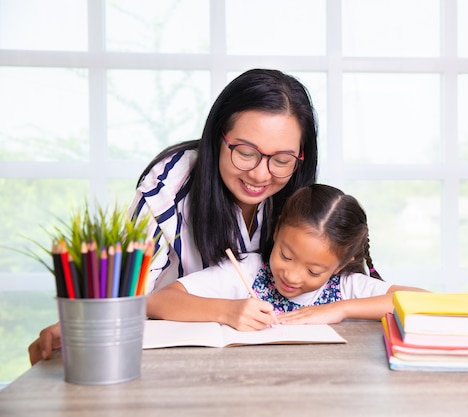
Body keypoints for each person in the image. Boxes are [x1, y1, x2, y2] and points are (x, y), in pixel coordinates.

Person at [28, 68, 319, 364]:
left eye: (282, 160)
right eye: (245, 153)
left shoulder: (301, 197)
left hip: (271, 355)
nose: (259, 174)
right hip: (171, 356)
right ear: (218, 136)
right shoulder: (171, 184)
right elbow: (132, 293)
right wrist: (85, 321)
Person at [147, 184, 427, 327]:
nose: (292, 275)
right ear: (278, 228)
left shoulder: (345, 288)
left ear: (340, 265)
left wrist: (339, 309)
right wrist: (227, 311)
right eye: (286, 255)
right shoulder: (248, 270)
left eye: (314, 271)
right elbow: (157, 302)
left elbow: (425, 301)